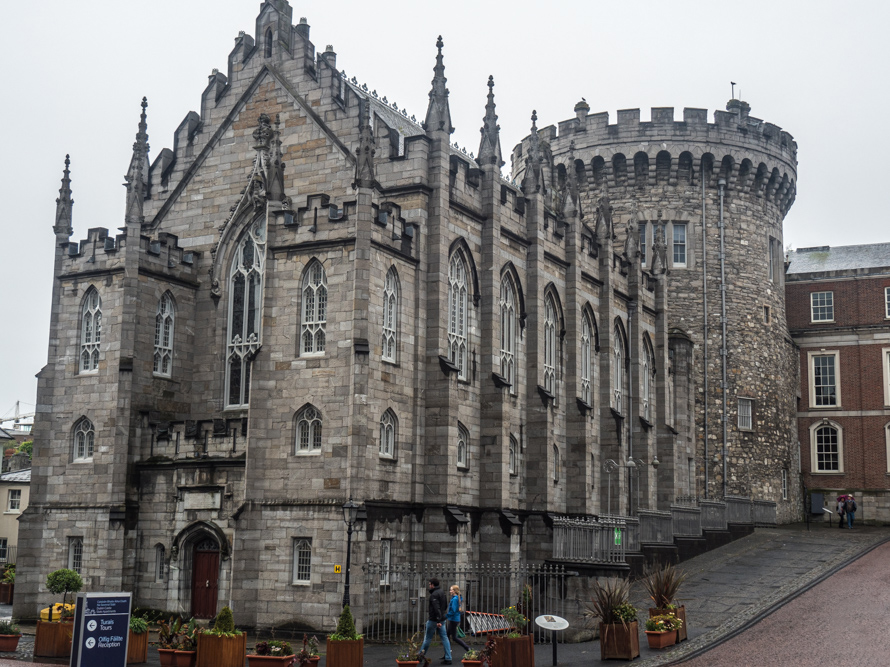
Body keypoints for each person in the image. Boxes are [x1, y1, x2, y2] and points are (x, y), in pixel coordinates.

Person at [417, 578, 452, 665]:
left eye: (429, 584)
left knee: (428, 638)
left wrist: (438, 620)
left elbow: (437, 608)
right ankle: (448, 657)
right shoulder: (442, 592)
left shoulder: (434, 595)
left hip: (434, 620)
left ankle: (420, 656)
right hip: (441, 619)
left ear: (432, 585)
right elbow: (445, 606)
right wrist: (441, 618)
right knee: (445, 638)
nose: (429, 586)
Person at [446, 585, 471, 655]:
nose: (450, 591)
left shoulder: (454, 599)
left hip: (453, 619)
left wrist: (446, 616)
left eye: (451, 590)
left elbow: (453, 610)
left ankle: (467, 648)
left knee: (453, 637)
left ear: (454, 591)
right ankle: (447, 650)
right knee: (448, 635)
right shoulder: (457, 598)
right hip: (455, 619)